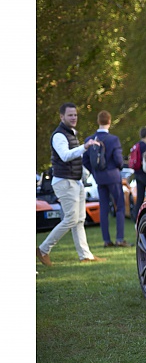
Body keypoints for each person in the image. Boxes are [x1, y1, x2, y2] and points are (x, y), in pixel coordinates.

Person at [37, 103, 106, 265]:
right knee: (71, 219)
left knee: (80, 220)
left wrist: (84, 171)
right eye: (70, 115)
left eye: (75, 115)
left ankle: (85, 255)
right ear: (62, 117)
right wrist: (85, 146)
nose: (74, 118)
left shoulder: (71, 134)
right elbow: (65, 156)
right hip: (64, 182)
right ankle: (43, 249)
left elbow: (75, 158)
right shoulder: (59, 135)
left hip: (75, 181)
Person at [82, 110, 129, 248]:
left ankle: (106, 240)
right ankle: (119, 238)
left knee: (103, 208)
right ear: (109, 121)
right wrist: (119, 167)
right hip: (113, 177)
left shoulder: (90, 139)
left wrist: (95, 172)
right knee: (120, 207)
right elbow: (119, 160)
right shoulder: (113, 139)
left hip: (99, 178)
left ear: (98, 121)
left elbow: (85, 160)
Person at [132, 126, 146, 217]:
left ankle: (136, 216)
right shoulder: (145, 146)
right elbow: (145, 160)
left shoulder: (137, 145)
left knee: (140, 197)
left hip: (137, 173)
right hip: (144, 173)